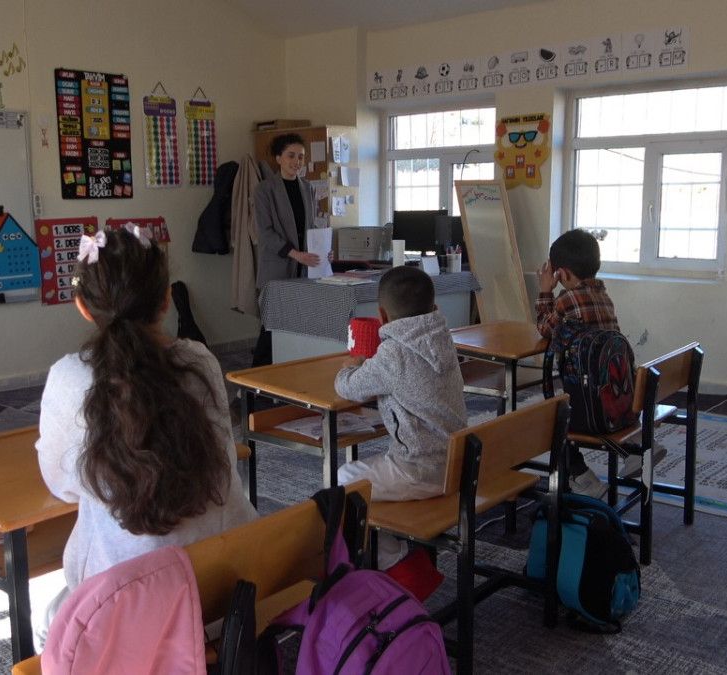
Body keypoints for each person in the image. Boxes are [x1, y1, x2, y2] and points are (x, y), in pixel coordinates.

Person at [34, 228, 256, 644]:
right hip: (224, 595)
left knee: (50, 620)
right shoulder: (200, 361)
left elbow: (61, 485)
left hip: (129, 612)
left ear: (82, 306)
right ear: (166, 299)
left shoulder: (69, 377)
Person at [334, 266, 466, 597]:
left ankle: (397, 562)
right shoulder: (444, 338)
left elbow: (348, 388)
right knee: (371, 476)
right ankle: (393, 549)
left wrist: (351, 365)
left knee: (344, 479)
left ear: (382, 315)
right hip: (458, 464)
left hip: (420, 470)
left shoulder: (394, 353)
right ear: (434, 306)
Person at [535, 229, 621, 499]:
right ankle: (631, 451)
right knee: (561, 410)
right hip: (616, 396)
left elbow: (544, 328)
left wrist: (545, 291)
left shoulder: (567, 299)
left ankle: (581, 474)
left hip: (588, 404)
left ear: (561, 273)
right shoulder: (604, 297)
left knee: (552, 417)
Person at [251, 133, 318, 366]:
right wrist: (296, 254)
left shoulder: (307, 188)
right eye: (291, 156)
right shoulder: (264, 190)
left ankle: (286, 374)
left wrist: (321, 249)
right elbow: (266, 233)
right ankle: (254, 379)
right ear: (279, 158)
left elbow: (311, 227)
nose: (297, 161)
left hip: (303, 268)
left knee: (296, 327)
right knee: (271, 328)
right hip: (277, 268)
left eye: (301, 157)